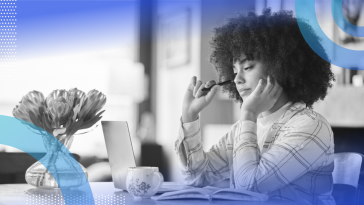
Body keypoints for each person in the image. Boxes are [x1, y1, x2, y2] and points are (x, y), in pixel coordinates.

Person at [175, 8, 336, 205]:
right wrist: (189, 115)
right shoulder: (246, 128)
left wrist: (249, 113)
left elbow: (249, 189)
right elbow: (197, 177)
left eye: (248, 67)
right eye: (234, 71)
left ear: (280, 66)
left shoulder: (310, 127)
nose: (237, 80)